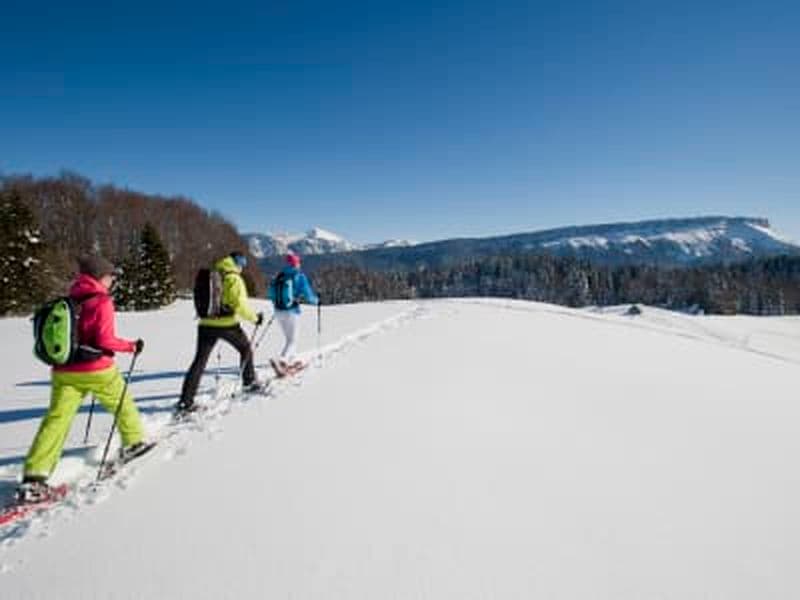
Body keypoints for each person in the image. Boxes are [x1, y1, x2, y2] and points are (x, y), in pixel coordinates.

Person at [18, 255, 152, 503]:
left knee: (56, 421)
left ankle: (34, 478)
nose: (113, 280)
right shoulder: (102, 301)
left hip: (64, 371)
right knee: (123, 404)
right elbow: (105, 341)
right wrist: (131, 346)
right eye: (111, 276)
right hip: (97, 370)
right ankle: (133, 443)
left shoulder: (70, 299)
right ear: (100, 276)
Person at [177, 251, 264, 414]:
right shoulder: (234, 279)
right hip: (227, 325)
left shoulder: (213, 274)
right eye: (242, 263)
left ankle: (185, 401)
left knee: (199, 362)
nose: (242, 267)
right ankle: (249, 382)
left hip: (205, 324)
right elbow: (240, 306)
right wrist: (255, 318)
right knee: (245, 349)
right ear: (238, 263)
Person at [268, 252, 319, 372]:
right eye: (298, 262)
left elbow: (270, 294)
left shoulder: (280, 275)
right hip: (291, 311)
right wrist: (316, 301)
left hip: (278, 311)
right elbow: (308, 295)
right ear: (296, 263)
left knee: (288, 338)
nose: (299, 264)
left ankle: (290, 360)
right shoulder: (299, 276)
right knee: (292, 340)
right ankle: (282, 360)